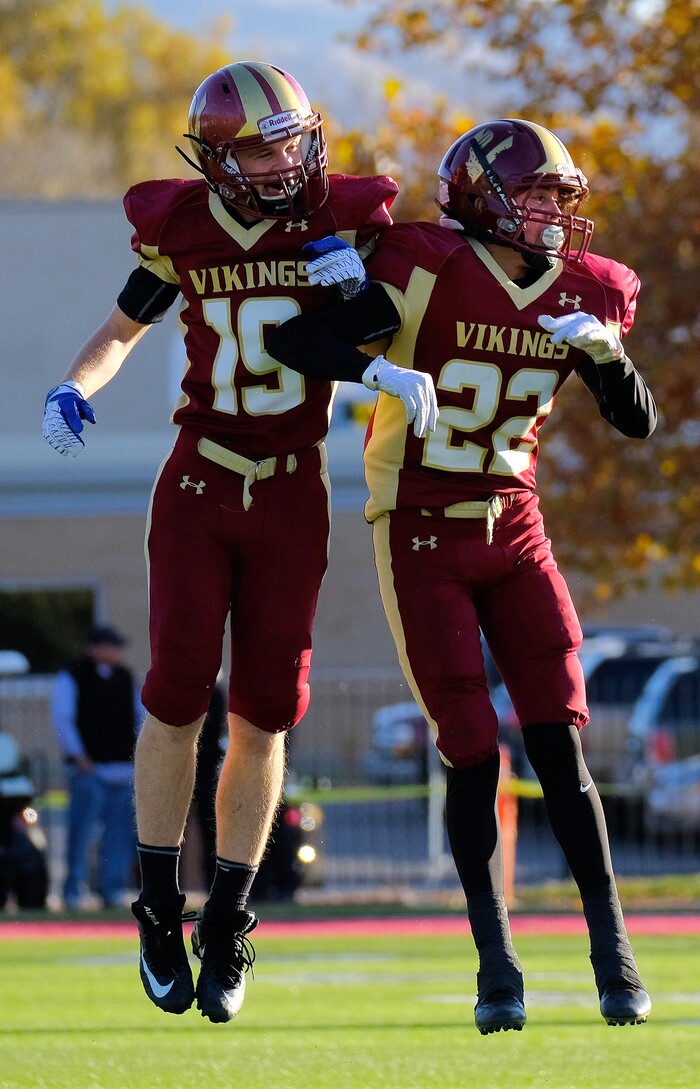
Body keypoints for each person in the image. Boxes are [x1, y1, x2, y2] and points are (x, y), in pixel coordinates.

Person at [42, 61, 435, 1023]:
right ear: (217, 160)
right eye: (263, 145)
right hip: (199, 475)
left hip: (295, 486)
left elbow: (399, 325)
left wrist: (365, 311)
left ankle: (230, 910)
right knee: (176, 690)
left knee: (267, 712)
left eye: (294, 137)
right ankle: (154, 906)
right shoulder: (182, 226)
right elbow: (120, 329)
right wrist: (74, 385)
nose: (287, 158)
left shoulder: (342, 218)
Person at [269, 118, 656, 1033]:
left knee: (560, 737)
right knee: (471, 744)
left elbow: (632, 424)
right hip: (423, 531)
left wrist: (610, 358)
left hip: (516, 528)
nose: (553, 215)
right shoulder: (425, 266)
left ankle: (615, 956)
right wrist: (378, 370)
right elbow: (296, 343)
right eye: (534, 196)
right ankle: (498, 966)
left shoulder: (590, 292)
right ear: (481, 196)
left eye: (562, 199)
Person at [51, 624, 141, 909]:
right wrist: (78, 755)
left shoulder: (125, 678)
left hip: (122, 769)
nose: (117, 652)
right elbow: (62, 717)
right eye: (111, 646)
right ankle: (73, 890)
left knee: (120, 834)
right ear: (96, 648)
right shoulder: (73, 675)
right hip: (90, 770)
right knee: (82, 831)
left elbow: (140, 717)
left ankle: (111, 888)